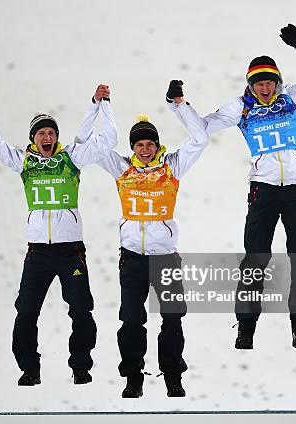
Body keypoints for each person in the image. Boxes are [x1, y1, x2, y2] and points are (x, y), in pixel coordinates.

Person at [200, 24, 296, 349]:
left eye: (270, 82)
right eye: (259, 83)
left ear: (278, 82)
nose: (265, 88)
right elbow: (204, 128)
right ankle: (246, 327)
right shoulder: (241, 106)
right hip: (262, 189)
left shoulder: (295, 96)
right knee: (255, 258)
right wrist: (179, 106)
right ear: (251, 85)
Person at [0, 83, 117, 386]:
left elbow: (108, 142)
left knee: (82, 310)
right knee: (25, 312)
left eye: (51, 132)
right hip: (38, 252)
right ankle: (29, 368)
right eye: (41, 133)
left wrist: (101, 104)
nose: (47, 137)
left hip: (70, 251)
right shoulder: (23, 161)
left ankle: (81, 366)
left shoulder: (71, 159)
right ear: (33, 138)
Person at [89, 81, 208, 398]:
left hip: (166, 257)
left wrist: (179, 104)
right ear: (133, 148)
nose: (144, 148)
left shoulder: (173, 167)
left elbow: (200, 138)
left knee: (172, 319)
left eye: (149, 143)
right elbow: (90, 144)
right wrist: (101, 105)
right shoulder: (122, 168)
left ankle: (173, 376)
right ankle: (132, 378)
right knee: (131, 321)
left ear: (156, 144)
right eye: (139, 144)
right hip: (132, 258)